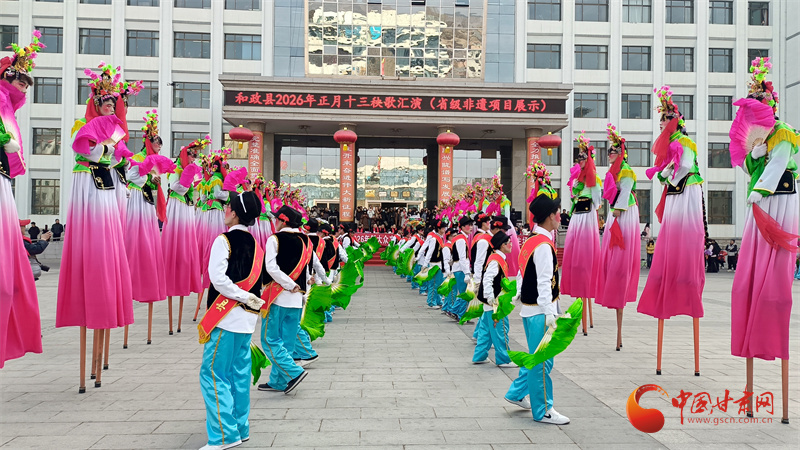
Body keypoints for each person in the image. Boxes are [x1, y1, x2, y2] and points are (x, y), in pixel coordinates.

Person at [57, 63, 139, 391]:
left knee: (108, 240)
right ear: (95, 102)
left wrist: (126, 157)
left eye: (112, 103)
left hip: (107, 185)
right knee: (91, 238)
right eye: (104, 102)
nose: (109, 107)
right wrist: (106, 149)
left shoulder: (116, 128)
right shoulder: (83, 124)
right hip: (88, 184)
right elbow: (85, 150)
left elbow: (119, 157)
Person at [730, 57, 797, 423]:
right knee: (749, 278)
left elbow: (778, 165)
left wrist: (760, 187)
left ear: (772, 103)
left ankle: (771, 317)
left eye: (762, 99)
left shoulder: (784, 132)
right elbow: (748, 165)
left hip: (778, 200)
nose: (758, 105)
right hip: (759, 204)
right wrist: (752, 155)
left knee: (775, 282)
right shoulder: (759, 137)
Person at [638, 86, 705, 376]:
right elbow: (670, 172)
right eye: (661, 119)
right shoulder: (670, 144)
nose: (662, 123)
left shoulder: (685, 142)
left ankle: (686, 278)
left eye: (666, 118)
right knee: (670, 236)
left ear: (675, 120)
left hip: (687, 192)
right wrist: (665, 173)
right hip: (676, 194)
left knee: (685, 236)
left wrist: (668, 173)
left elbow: (686, 166)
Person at [197, 191, 265, 450]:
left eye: (228, 207)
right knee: (239, 375)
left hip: (225, 319)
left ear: (235, 213)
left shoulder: (223, 240)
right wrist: (248, 299)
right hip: (246, 321)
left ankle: (223, 436)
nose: (225, 210)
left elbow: (218, 279)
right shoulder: (258, 245)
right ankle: (240, 428)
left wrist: (242, 296)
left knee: (213, 374)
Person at [504, 193, 570, 425]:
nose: (560, 216)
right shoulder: (542, 245)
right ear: (550, 216)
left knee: (539, 358)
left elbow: (522, 274)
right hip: (540, 312)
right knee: (542, 363)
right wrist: (550, 313)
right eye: (557, 212)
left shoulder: (532, 240)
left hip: (532, 310)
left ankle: (517, 393)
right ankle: (543, 410)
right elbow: (544, 282)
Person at [0, 32, 43, 369]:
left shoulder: (7, 106)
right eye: (20, 79)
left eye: (27, 84)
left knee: (9, 281)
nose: (24, 87)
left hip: (3, 181)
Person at [125, 110, 172, 345]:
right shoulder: (137, 157)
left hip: (147, 201)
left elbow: (153, 183)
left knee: (148, 236)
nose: (159, 146)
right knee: (134, 234)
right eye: (156, 142)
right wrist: (147, 178)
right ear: (148, 141)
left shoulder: (156, 162)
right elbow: (129, 175)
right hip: (135, 198)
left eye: (160, 143)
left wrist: (155, 181)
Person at [595, 123, 641, 352]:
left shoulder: (627, 171)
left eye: (614, 150)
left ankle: (620, 290)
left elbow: (624, 194)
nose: (610, 154)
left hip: (623, 214)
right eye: (609, 151)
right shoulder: (612, 172)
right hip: (615, 213)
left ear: (621, 152)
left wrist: (617, 211)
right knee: (611, 255)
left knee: (621, 253)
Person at [258, 205, 312, 394]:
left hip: (278, 298)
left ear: (283, 221)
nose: (274, 221)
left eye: (276, 219)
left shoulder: (275, 239)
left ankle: (294, 372)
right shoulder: (306, 241)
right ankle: (278, 381)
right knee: (286, 343)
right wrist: (303, 292)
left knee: (270, 340)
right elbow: (307, 271)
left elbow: (271, 268)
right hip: (296, 300)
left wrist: (289, 284)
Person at [163, 135, 208, 335]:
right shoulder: (176, 169)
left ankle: (184, 272)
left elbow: (193, 187)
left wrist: (192, 180)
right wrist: (187, 180)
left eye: (196, 156)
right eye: (192, 155)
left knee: (187, 244)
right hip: (177, 206)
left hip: (188, 208)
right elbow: (175, 187)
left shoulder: (194, 170)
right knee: (175, 240)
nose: (193, 159)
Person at [561, 135, 602, 335]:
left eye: (583, 157)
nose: (580, 160)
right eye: (578, 158)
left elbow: (597, 200)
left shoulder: (593, 178)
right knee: (575, 253)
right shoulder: (579, 178)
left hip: (586, 215)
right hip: (577, 214)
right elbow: (573, 196)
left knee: (585, 252)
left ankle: (586, 312)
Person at [472, 230, 514, 367]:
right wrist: (491, 298)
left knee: (485, 331)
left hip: (489, 303)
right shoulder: (496, 260)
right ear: (502, 245)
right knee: (501, 330)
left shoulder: (495, 257)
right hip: (494, 303)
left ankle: (479, 355)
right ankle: (504, 359)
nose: (511, 245)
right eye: (509, 242)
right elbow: (488, 279)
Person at [420, 219, 449, 308]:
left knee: (439, 283)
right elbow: (429, 252)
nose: (444, 229)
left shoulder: (440, 238)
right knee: (433, 284)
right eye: (443, 228)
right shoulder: (434, 239)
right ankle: (431, 302)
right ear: (438, 229)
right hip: (434, 264)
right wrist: (425, 264)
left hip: (439, 263)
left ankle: (438, 300)